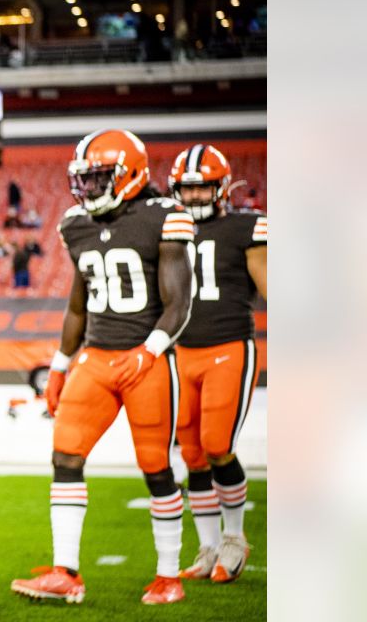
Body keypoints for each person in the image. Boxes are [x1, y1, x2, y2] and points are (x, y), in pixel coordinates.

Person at [12, 129, 194, 606]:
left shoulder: (165, 217)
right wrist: (58, 364)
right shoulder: (76, 224)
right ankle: (64, 572)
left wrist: (150, 350)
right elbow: (79, 305)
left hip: (146, 357)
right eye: (84, 180)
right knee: (65, 455)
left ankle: (168, 574)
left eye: (98, 179)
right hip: (95, 356)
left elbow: (179, 302)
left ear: (129, 175)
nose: (88, 190)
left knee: (156, 466)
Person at [167, 145, 267, 583]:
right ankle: (207, 548)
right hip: (180, 350)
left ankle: (233, 538)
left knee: (216, 443)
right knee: (191, 453)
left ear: (222, 187)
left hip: (228, 346)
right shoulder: (167, 228)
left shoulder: (246, 226)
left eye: (201, 188)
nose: (193, 198)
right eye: (186, 190)